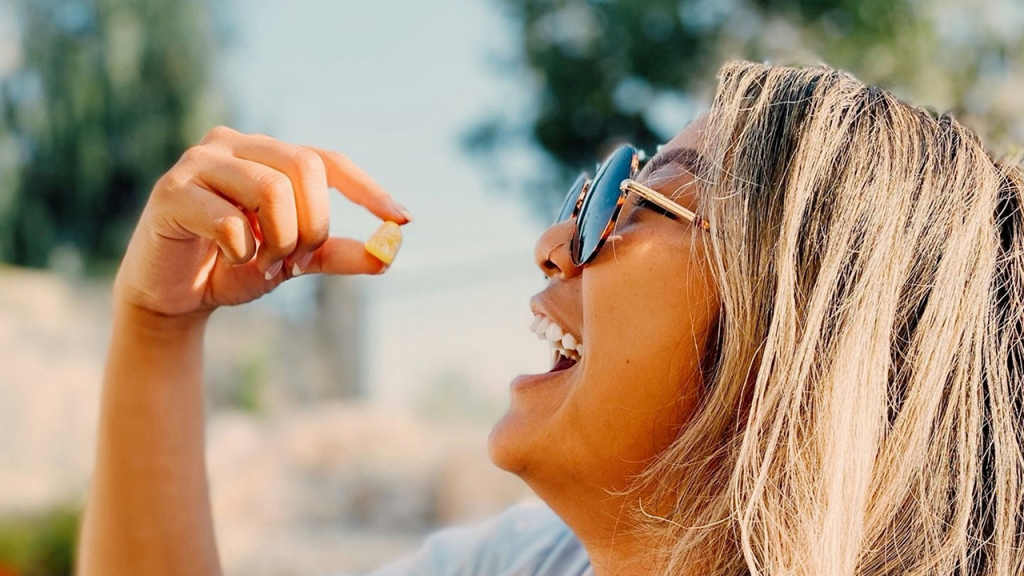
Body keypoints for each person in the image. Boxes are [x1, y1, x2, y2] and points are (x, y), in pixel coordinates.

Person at [78, 61, 1024, 576]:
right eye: (592, 187)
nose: (551, 241)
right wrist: (159, 329)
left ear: (806, 340)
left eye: (632, 194)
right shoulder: (522, 563)